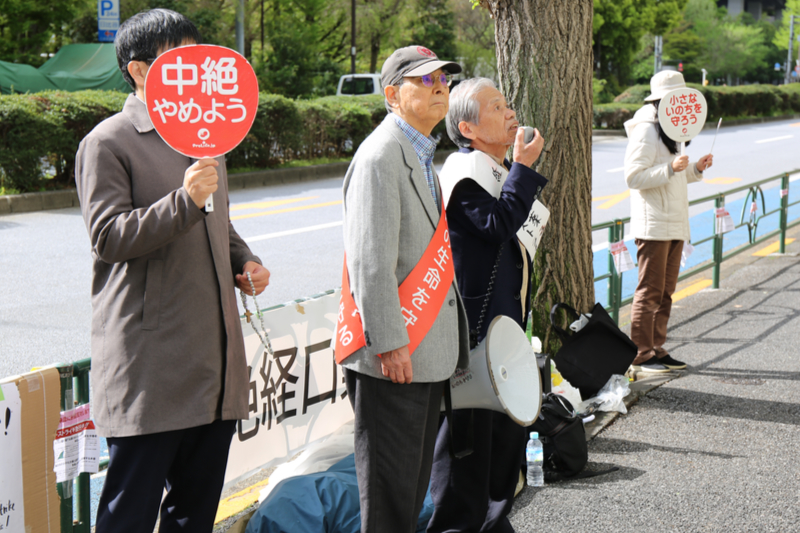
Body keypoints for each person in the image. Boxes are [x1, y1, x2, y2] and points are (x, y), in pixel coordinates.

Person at [74, 9, 270, 532]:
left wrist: (243, 260)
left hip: (213, 363)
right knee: (128, 515)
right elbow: (108, 237)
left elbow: (218, 224)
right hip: (151, 367)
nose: (194, 70)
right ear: (140, 71)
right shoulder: (108, 141)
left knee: (194, 513)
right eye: (179, 58)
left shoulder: (207, 135)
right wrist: (183, 199)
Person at [338, 45, 470, 533]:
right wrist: (391, 343)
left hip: (423, 351)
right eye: (427, 81)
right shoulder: (380, 156)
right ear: (393, 95)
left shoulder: (417, 151)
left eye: (444, 80)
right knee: (391, 498)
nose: (441, 88)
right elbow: (370, 263)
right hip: (396, 355)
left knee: (410, 493)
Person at [427, 78, 548, 533]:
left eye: (505, 103)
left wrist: (517, 168)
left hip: (505, 329)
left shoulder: (494, 168)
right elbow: (496, 226)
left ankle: (494, 524)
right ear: (468, 128)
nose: (509, 111)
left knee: (503, 446)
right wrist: (523, 167)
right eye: (496, 107)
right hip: (473, 336)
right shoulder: (463, 173)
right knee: (468, 452)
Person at [623, 70, 713, 373]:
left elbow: (674, 174)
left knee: (665, 292)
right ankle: (640, 353)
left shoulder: (673, 128)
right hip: (653, 223)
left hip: (674, 220)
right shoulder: (647, 129)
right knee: (649, 292)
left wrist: (695, 169)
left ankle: (657, 348)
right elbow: (633, 177)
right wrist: (671, 168)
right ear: (662, 102)